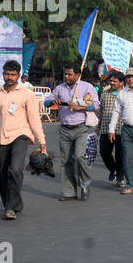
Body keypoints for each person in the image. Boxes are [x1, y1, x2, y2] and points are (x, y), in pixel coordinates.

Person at [0, 59, 47, 221]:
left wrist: (41, 140)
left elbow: (34, 118)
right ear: (3, 74)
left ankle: (10, 207)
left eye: (12, 74)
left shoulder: (27, 94)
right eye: (6, 74)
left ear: (18, 75)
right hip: (2, 137)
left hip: (21, 136)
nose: (9, 77)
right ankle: (12, 204)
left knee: (15, 169)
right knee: (4, 174)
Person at [53, 64, 97, 201]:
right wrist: (52, 101)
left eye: (70, 74)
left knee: (78, 156)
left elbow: (96, 104)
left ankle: (84, 184)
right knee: (66, 161)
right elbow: (47, 101)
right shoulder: (60, 88)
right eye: (65, 74)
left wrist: (79, 107)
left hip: (82, 128)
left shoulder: (86, 87)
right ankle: (69, 192)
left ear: (77, 75)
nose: (67, 76)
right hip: (65, 128)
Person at [98, 72, 125, 184]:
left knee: (120, 155)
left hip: (121, 129)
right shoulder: (104, 94)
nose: (112, 83)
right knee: (104, 152)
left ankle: (120, 178)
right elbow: (100, 112)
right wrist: (97, 127)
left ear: (121, 82)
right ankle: (113, 169)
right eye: (111, 80)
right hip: (105, 128)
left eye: (115, 81)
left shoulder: (126, 95)